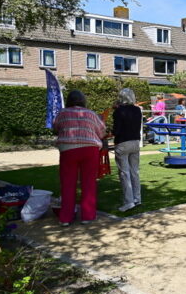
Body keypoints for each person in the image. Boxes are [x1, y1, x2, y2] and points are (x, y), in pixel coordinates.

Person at [52, 90, 106, 226]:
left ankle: (65, 218)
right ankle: (88, 216)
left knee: (67, 184)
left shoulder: (62, 113)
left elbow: (56, 127)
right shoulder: (91, 114)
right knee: (89, 182)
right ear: (83, 100)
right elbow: (101, 131)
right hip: (90, 149)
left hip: (68, 149)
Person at [113, 88, 142, 212]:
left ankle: (128, 201)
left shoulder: (119, 111)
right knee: (134, 172)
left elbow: (117, 130)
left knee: (124, 173)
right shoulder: (137, 110)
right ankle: (137, 198)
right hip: (135, 141)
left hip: (123, 142)